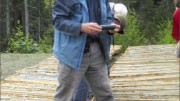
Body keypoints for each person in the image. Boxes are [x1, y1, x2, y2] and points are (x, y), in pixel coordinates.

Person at [52, 0, 121, 101]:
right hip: (72, 54)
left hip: (97, 51)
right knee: (64, 96)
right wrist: (81, 27)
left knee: (105, 95)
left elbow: (108, 17)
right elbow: (58, 21)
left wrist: (110, 26)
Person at [72, 2, 128, 101]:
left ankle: (88, 95)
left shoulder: (104, 6)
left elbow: (106, 38)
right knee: (82, 84)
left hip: (97, 50)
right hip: (83, 50)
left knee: (99, 87)